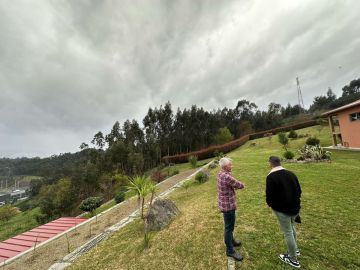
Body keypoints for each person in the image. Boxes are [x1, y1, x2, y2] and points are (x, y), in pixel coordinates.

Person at [266, 156, 302, 268]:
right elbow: (299, 190)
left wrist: (271, 205)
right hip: (295, 208)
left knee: (288, 232)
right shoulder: (291, 174)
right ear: (279, 162)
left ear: (270, 163)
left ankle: (293, 259)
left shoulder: (271, 177)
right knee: (291, 228)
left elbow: (269, 195)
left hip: (283, 210)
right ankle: (295, 250)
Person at [217, 157, 245, 261]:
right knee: (229, 228)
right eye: (230, 165)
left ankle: (232, 241)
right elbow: (238, 184)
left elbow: (231, 184)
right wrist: (243, 185)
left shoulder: (220, 173)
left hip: (224, 204)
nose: (232, 166)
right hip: (228, 206)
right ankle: (230, 250)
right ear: (225, 166)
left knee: (229, 226)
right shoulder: (226, 177)